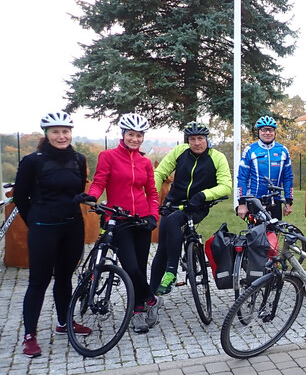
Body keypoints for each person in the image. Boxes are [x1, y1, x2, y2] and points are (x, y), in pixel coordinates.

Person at [14, 112, 89, 358]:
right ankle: (30, 335)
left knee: (65, 277)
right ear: (46, 134)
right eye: (55, 131)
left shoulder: (79, 159)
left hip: (72, 226)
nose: (61, 136)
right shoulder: (32, 161)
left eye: (65, 131)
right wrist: (35, 221)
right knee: (39, 281)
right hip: (44, 227)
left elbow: (77, 190)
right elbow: (20, 197)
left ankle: (64, 323)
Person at [78, 113, 160, 333]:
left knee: (140, 268)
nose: (135, 139)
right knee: (130, 266)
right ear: (123, 135)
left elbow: (152, 192)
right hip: (119, 219)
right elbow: (99, 182)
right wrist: (92, 197)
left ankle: (137, 312)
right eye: (131, 134)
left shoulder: (145, 162)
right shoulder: (108, 156)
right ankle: (152, 299)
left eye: (139, 135)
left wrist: (153, 216)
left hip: (142, 220)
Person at [151, 122, 232, 296]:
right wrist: (153, 197)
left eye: (200, 138)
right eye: (192, 139)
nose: (197, 143)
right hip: (173, 203)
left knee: (174, 220)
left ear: (207, 140)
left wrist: (203, 195)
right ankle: (150, 295)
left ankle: (171, 272)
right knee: (162, 249)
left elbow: (226, 185)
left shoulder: (217, 157)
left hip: (197, 206)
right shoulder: (180, 152)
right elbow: (159, 173)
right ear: (188, 140)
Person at [237, 115, 294, 221]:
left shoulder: (283, 151)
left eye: (271, 130)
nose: (267, 133)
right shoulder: (250, 150)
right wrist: (241, 203)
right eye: (264, 130)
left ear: (275, 132)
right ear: (259, 131)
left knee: (274, 233)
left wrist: (288, 201)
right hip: (254, 200)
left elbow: (288, 178)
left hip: (275, 199)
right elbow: (242, 178)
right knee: (256, 234)